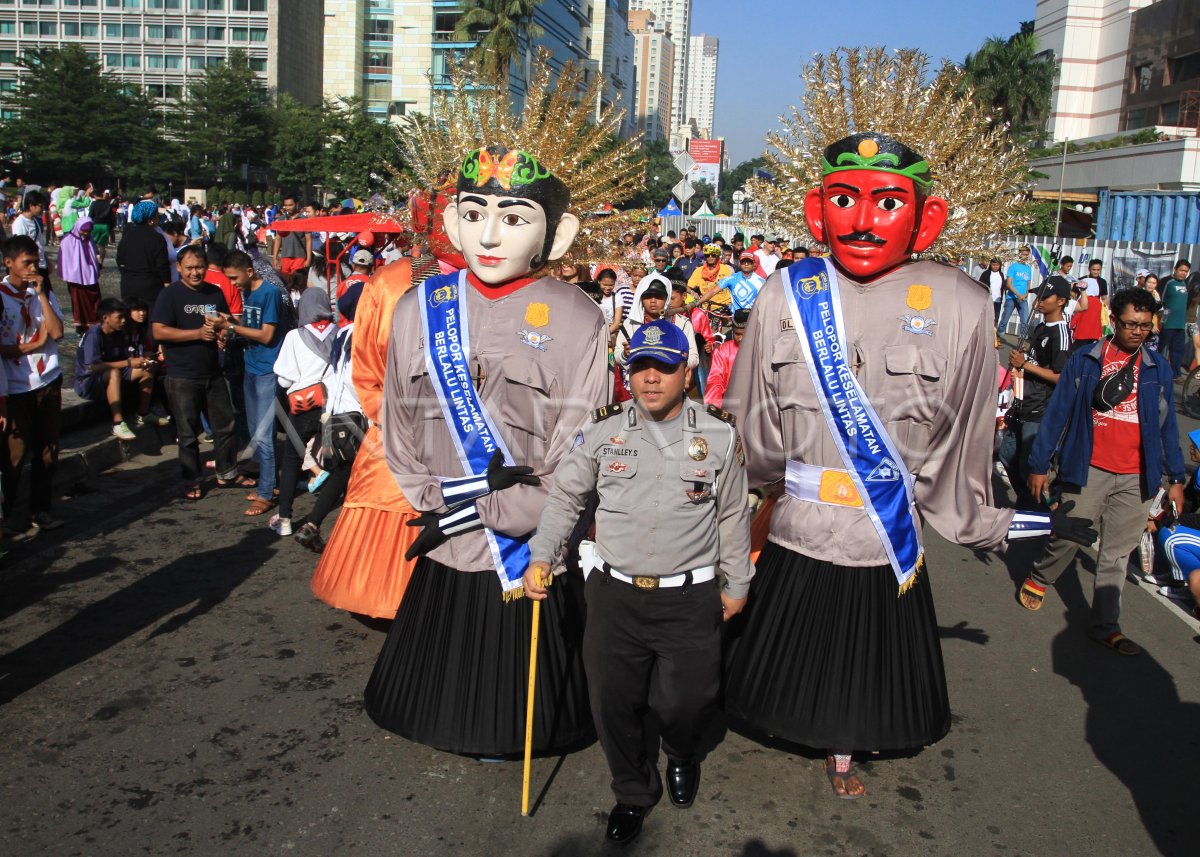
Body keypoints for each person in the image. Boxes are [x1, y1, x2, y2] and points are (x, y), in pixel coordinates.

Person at [721, 50, 1096, 801]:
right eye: (845, 199)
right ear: (814, 208)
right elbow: (750, 419)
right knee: (777, 655)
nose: (862, 220)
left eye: (887, 202)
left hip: (879, 531)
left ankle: (844, 748)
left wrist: (1000, 521)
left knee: (864, 662)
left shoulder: (961, 304)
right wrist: (732, 501)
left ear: (927, 217)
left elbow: (965, 439)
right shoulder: (784, 292)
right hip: (797, 522)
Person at [364, 56, 631, 760]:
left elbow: (580, 442)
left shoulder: (579, 318)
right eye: (475, 214)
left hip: (527, 535)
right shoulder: (425, 304)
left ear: (556, 234)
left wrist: (507, 510)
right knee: (441, 688)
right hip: (446, 529)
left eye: (513, 218)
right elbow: (400, 417)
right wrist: (437, 494)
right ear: (451, 218)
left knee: (526, 701)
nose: (488, 237)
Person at [524, 318, 752, 846]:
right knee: (612, 702)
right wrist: (543, 555)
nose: (650, 378)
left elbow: (733, 516)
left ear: (686, 371)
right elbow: (566, 499)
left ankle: (681, 752)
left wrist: (737, 583)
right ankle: (631, 790)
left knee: (687, 701)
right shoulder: (603, 430)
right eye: (640, 367)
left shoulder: (718, 434)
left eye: (663, 367)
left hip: (690, 596)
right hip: (614, 594)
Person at [1021, 288, 1186, 655]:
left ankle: (1106, 625)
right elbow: (1058, 412)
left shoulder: (1158, 368)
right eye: (1131, 324)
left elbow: (1167, 428)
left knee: (1116, 554)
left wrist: (1176, 478)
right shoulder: (1086, 360)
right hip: (1087, 468)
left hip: (1137, 476)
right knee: (1069, 534)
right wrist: (1039, 465)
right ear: (1114, 322)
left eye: (1145, 326)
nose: (1138, 331)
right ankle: (1040, 575)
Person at [308, 254, 421, 618]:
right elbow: (366, 360)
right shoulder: (389, 281)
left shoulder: (389, 279)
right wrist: (386, 413)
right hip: (398, 423)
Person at [150, 244, 238, 500]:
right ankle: (191, 479)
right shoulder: (170, 296)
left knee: (225, 426)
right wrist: (196, 334)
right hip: (182, 374)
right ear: (179, 268)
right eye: (189, 268)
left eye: (199, 267)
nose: (195, 272)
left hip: (213, 370)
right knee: (188, 433)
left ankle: (227, 472)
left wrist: (223, 333)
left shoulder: (214, 292)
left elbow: (226, 321)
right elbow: (159, 331)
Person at [0, 234, 66, 534]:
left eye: (35, 262)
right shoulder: (1, 296)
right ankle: (9, 515)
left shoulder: (42, 293)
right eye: (26, 263)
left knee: (48, 449)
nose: (32, 268)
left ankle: (42, 509)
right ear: (9, 263)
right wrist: (30, 346)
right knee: (15, 454)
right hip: (15, 386)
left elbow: (56, 333)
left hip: (47, 379)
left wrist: (41, 295)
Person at [294, 282, 366, 553]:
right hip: (357, 418)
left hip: (335, 417)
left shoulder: (342, 333)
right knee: (358, 481)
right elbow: (356, 380)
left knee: (339, 475)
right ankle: (348, 543)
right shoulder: (362, 334)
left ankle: (311, 525)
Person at [222, 249, 286, 516]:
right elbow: (251, 324)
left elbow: (267, 335)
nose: (233, 284)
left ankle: (266, 492)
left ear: (249, 272)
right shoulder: (247, 292)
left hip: (267, 369)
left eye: (235, 278)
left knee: (264, 434)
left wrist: (233, 328)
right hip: (251, 366)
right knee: (255, 431)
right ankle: (268, 484)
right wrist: (229, 323)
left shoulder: (268, 292)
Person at [998, 277, 1070, 506]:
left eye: (1045, 297)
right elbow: (1031, 359)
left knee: (1030, 463)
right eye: (1037, 295)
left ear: (1061, 301)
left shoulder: (1061, 333)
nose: (1039, 301)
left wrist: (1025, 365)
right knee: (1007, 455)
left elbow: (1061, 376)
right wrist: (1020, 368)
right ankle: (1029, 502)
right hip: (1023, 401)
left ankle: (1045, 508)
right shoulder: (1039, 327)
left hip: (1041, 407)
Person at [269, 288, 335, 537]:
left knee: (291, 461)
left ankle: (284, 519)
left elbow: (284, 379)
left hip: (302, 407)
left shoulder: (294, 336)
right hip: (334, 408)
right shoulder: (340, 333)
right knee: (339, 465)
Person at [75, 297, 163, 439]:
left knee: (147, 368)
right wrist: (128, 363)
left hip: (116, 374)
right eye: (119, 317)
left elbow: (124, 357)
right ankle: (118, 422)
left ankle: (143, 413)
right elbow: (92, 367)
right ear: (106, 318)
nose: (124, 321)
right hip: (90, 382)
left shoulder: (119, 333)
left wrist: (140, 360)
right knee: (113, 373)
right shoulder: (94, 335)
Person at [116, 200, 169, 305]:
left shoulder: (127, 236)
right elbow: (162, 265)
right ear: (151, 220)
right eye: (157, 216)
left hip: (128, 285)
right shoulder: (157, 238)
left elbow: (120, 260)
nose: (158, 219)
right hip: (150, 286)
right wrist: (167, 283)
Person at [59, 215, 102, 336]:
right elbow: (65, 260)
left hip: (90, 275)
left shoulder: (89, 239)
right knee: (79, 301)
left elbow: (93, 255)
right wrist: (70, 273)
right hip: (75, 278)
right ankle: (82, 325)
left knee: (94, 298)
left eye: (88, 231)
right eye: (84, 230)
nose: (85, 233)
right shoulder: (68, 240)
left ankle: (94, 322)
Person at [9, 190, 52, 294]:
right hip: (32, 267)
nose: (42, 209)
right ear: (31, 206)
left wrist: (46, 260)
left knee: (47, 297)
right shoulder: (20, 223)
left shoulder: (35, 220)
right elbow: (20, 249)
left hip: (41, 265)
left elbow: (39, 244)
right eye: (40, 206)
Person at [704, 308, 747, 407]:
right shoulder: (722, 351)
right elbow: (715, 380)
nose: (740, 339)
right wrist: (715, 408)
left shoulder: (762, 349)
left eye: (745, 334)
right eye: (737, 334)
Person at [696, 250, 764, 313]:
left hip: (753, 317)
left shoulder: (761, 281)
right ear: (740, 263)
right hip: (736, 319)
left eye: (749, 262)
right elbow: (713, 292)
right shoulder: (732, 278)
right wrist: (696, 304)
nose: (746, 264)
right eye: (743, 262)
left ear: (753, 264)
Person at [1157, 259, 1192, 377]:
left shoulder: (1185, 284)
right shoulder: (1168, 282)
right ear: (1175, 269)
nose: (1183, 273)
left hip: (1180, 325)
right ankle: (1158, 371)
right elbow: (1160, 302)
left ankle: (1175, 375)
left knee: (1178, 351)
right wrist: (1162, 320)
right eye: (1181, 270)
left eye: (1186, 271)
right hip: (1168, 324)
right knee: (1162, 349)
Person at [271, 194, 312, 291]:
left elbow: (308, 240)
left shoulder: (304, 220)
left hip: (300, 257)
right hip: (285, 257)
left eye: (290, 205)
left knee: (298, 284)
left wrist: (308, 258)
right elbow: (278, 239)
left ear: (297, 204)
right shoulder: (281, 219)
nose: (288, 207)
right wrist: (275, 257)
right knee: (286, 283)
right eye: (286, 205)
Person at [999, 245, 1034, 336]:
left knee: (1025, 320)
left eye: (1027, 255)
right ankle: (999, 334)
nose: (1025, 257)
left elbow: (1028, 283)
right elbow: (1009, 284)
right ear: (1019, 255)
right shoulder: (1013, 267)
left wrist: (1026, 294)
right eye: (1023, 255)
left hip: (1023, 299)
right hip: (1012, 297)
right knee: (1005, 319)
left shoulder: (1028, 269)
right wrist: (1018, 294)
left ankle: (1021, 340)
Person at [88, 190, 116, 265]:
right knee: (102, 246)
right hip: (105, 226)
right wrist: (110, 228)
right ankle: (101, 262)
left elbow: (90, 215)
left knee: (93, 243)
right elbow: (112, 217)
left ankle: (94, 260)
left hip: (95, 225)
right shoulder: (108, 204)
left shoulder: (94, 204)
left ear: (95, 196)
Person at [980, 257, 1005, 323]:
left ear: (999, 266)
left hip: (997, 301)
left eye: (997, 265)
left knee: (995, 318)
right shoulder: (986, 274)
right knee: (986, 318)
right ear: (990, 265)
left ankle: (994, 332)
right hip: (988, 300)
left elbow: (1002, 287)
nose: (995, 267)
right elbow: (981, 285)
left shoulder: (1001, 275)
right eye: (993, 265)